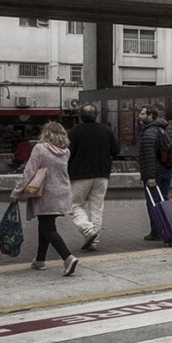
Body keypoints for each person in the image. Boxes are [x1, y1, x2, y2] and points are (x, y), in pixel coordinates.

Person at [8, 120, 78, 276]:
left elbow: (29, 172)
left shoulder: (40, 149)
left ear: (46, 133)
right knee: (45, 226)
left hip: (46, 194)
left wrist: (16, 192)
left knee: (48, 228)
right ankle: (39, 260)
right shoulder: (65, 151)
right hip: (62, 192)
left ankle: (67, 257)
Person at [67, 103, 119, 251]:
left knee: (75, 205)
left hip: (80, 175)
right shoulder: (105, 130)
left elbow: (68, 154)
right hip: (102, 174)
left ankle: (87, 230)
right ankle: (94, 241)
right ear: (96, 115)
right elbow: (115, 150)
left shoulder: (75, 131)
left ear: (80, 116)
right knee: (97, 208)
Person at [137, 105, 172, 241]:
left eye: (142, 114)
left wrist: (150, 176)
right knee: (164, 200)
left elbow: (148, 157)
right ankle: (170, 228)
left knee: (153, 203)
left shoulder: (148, 133)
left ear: (150, 116)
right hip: (167, 171)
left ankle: (157, 231)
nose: (139, 116)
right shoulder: (166, 129)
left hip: (155, 174)